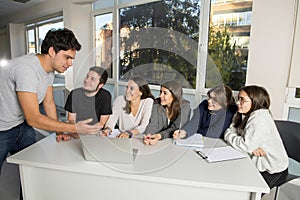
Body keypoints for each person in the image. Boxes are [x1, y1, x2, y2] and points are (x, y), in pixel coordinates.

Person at [0, 28, 101, 173]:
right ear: (52, 52)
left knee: (31, 172)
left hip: (21, 126)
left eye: (72, 58)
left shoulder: (48, 71)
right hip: (2, 128)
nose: (70, 63)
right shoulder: (26, 70)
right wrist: (74, 128)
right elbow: (34, 118)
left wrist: (58, 131)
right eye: (67, 57)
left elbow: (48, 102)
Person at [224, 85, 288, 190]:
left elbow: (245, 145)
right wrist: (249, 145)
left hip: (272, 170)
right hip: (254, 162)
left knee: (245, 193)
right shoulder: (241, 113)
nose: (237, 103)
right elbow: (229, 131)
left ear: (255, 101)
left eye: (242, 100)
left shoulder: (260, 117)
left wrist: (247, 144)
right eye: (238, 99)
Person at [56, 66, 112, 142]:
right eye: (87, 76)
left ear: (100, 85)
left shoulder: (106, 96)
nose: (87, 80)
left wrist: (85, 132)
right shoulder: (74, 94)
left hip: (95, 136)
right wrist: (77, 130)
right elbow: (71, 120)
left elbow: (101, 123)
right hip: (75, 134)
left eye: (92, 79)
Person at [143, 80, 191, 145]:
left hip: (177, 143)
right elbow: (153, 124)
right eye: (160, 92)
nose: (160, 96)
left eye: (165, 93)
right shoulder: (157, 103)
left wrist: (159, 136)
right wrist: (149, 136)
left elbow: (176, 128)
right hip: (161, 142)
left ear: (174, 95)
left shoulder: (185, 106)